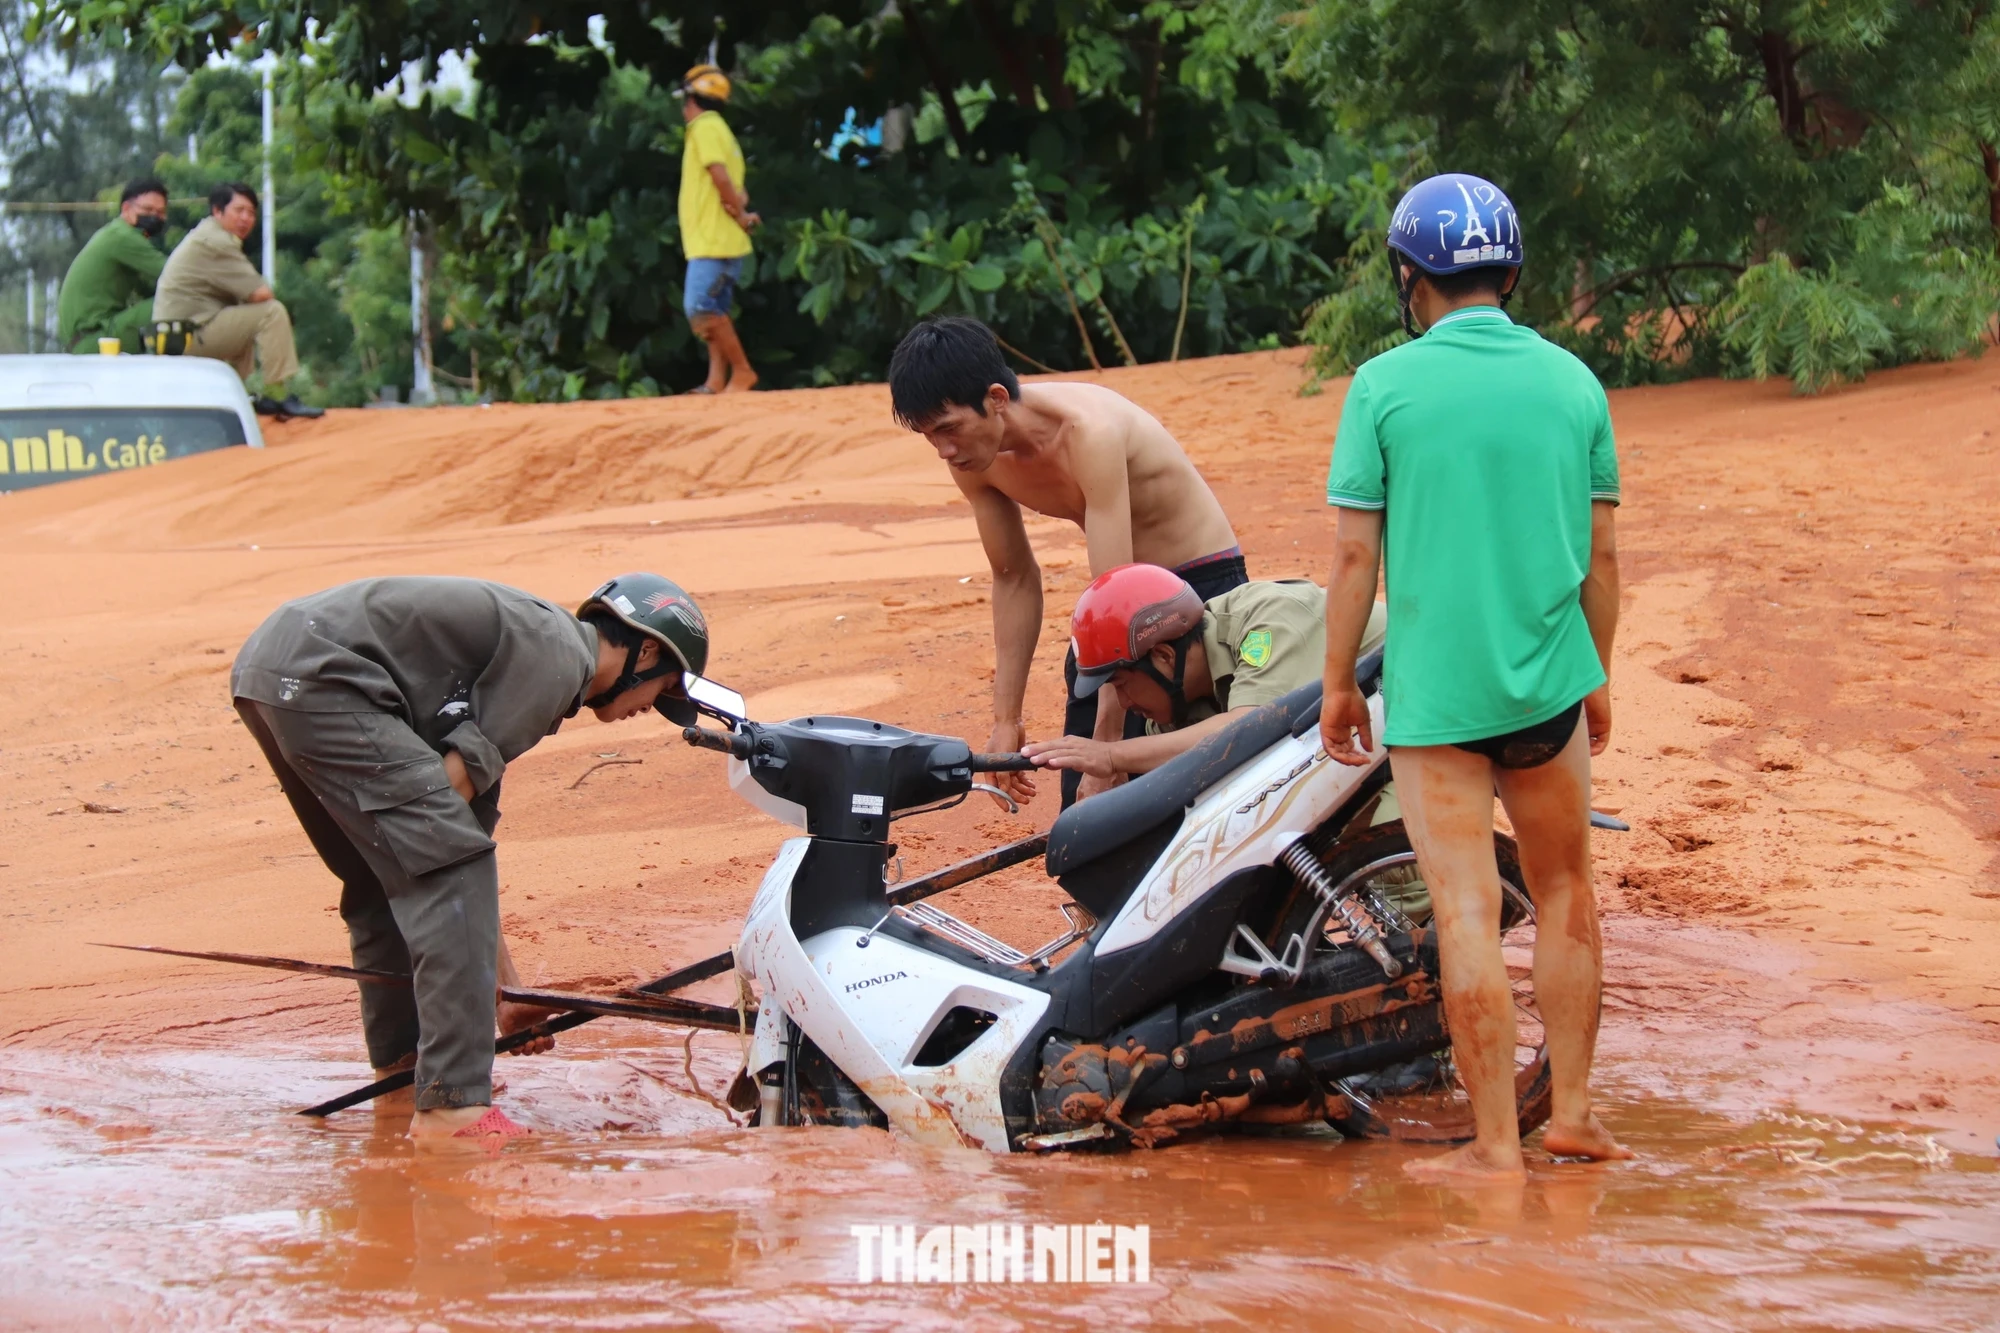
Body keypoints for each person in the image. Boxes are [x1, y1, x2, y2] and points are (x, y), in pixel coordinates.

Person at [1318, 173, 1629, 1182]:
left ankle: (1494, 1148)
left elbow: (1353, 560)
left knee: (1461, 914)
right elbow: (1603, 558)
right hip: (1548, 689)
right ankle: (1574, 1115)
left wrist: (1332, 682)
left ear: (1408, 277)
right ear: (1510, 270)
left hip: (1437, 703)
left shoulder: (1381, 386)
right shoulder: (1573, 382)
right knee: (1565, 888)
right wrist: (1599, 679)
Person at [231, 573, 711, 1141]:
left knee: (383, 876)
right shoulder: (560, 658)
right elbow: (448, 850)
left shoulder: (526, 662)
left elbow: (445, 840)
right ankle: (452, 1110)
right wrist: (488, 986)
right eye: (665, 691)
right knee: (437, 862)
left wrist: (506, 999)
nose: (651, 707)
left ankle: (403, 1080)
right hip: (325, 674)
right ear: (646, 649)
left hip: (275, 666)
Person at [888, 315, 1246, 809]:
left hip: (1202, 583)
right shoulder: (972, 459)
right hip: (1116, 597)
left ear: (995, 399)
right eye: (930, 436)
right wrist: (1005, 720)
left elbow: (1119, 595)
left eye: (949, 429)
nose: (945, 450)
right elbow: (1013, 579)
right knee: (1084, 796)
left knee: (1198, 772)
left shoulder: (1087, 433)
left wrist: (1108, 746)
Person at [1024, 562, 1385, 785]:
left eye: (1120, 683)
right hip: (1372, 733)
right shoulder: (1174, 711)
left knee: (1404, 874)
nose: (1123, 702)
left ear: (1164, 655)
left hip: (1424, 699)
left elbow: (1252, 727)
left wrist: (1111, 755)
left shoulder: (1267, 619)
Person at [154, 182, 323, 420]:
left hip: (177, 335)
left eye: (252, 213)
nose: (246, 218)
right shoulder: (217, 242)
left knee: (243, 315)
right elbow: (262, 294)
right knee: (270, 312)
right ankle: (277, 396)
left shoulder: (207, 235)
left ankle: (236, 396)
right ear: (217, 211)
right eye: (239, 210)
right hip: (187, 335)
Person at [678, 64, 759, 394]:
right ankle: (715, 381)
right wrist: (740, 210)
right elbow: (736, 185)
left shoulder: (704, 128)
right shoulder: (721, 129)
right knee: (716, 309)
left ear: (692, 99)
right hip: (721, 240)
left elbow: (721, 178)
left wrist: (740, 215)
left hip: (714, 240)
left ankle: (742, 371)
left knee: (699, 308)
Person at [56, 179, 168, 354]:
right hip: (94, 338)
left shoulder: (119, 235)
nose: (155, 216)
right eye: (147, 210)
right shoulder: (123, 237)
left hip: (85, 339)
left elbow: (150, 288)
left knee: (171, 299)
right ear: (126, 209)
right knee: (176, 302)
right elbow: (176, 274)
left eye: (160, 212)